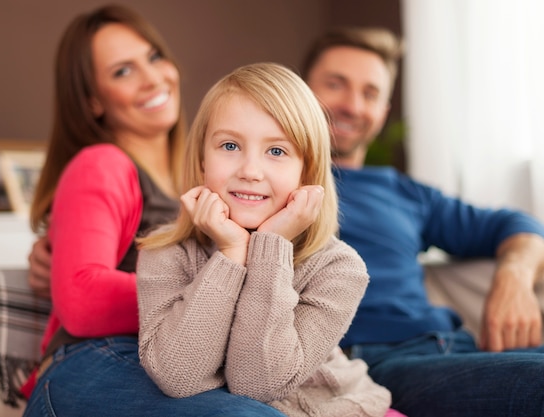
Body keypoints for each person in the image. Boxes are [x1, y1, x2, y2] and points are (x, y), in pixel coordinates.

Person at [22, 5, 287, 416]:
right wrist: (221, 291)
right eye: (122, 71)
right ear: (92, 100)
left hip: (188, 361)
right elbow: (81, 299)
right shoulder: (102, 163)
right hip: (97, 360)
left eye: (154, 57)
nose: (152, 78)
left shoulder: (213, 175)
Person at [301, 26, 544, 416]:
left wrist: (515, 278)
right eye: (336, 84)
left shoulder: (406, 193)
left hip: (456, 348)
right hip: (377, 364)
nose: (353, 105)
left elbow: (518, 226)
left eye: (370, 93)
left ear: (384, 111)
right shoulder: (270, 186)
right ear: (301, 93)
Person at [135, 62, 402, 417]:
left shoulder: (340, 269)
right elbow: (177, 376)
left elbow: (258, 385)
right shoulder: (165, 251)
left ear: (306, 172)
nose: (249, 171)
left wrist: (270, 247)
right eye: (229, 145)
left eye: (276, 151)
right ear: (201, 160)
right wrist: (231, 254)